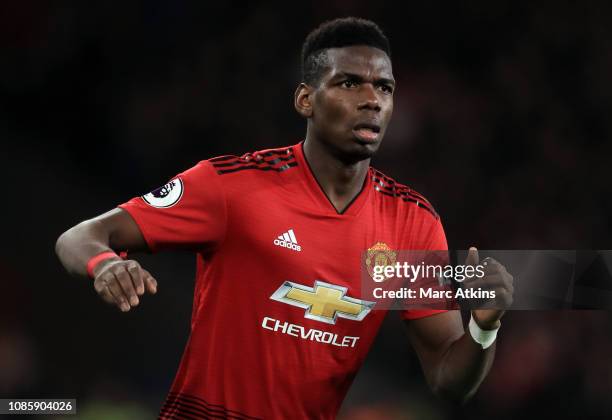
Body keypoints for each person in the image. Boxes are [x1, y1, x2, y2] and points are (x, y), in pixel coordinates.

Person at [56, 17, 513, 419]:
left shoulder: (412, 223)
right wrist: (107, 264)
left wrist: (484, 327)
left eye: (385, 87)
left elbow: (449, 381)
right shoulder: (232, 187)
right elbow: (80, 237)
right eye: (349, 83)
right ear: (305, 101)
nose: (372, 99)